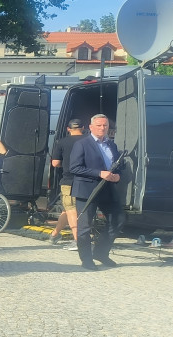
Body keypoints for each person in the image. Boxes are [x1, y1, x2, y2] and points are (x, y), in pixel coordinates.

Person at [68, 114, 125, 269]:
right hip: (87, 190)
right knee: (85, 227)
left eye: (105, 125)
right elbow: (74, 167)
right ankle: (86, 259)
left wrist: (118, 175)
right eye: (99, 125)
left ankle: (100, 252)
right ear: (91, 127)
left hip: (107, 190)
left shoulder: (111, 145)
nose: (102, 128)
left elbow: (118, 165)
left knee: (118, 219)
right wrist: (99, 173)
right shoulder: (82, 144)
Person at [49, 119, 84, 251]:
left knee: (71, 209)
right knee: (67, 210)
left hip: (68, 180)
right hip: (86, 180)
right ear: (84, 128)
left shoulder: (62, 142)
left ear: (68, 129)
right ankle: (54, 235)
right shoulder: (88, 141)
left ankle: (77, 241)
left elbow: (55, 163)